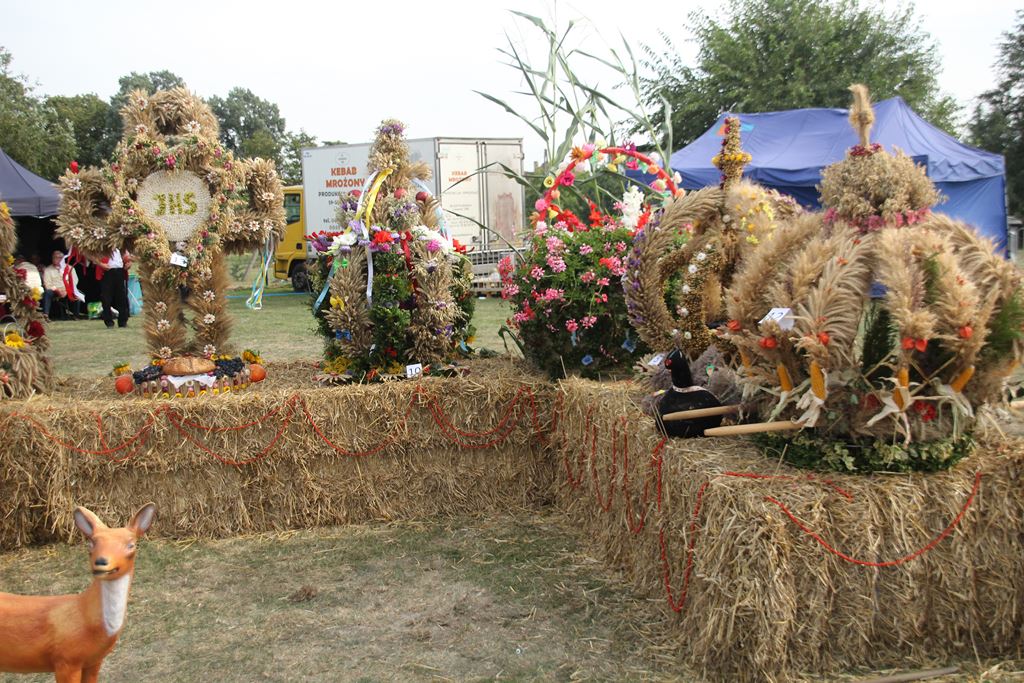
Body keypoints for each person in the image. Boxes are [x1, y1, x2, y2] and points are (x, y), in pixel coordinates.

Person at [99, 248, 130, 328]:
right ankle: (109, 322)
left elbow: (128, 257)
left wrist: (128, 263)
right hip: (107, 271)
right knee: (106, 298)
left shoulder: (121, 246)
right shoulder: (103, 246)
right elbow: (92, 257)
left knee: (122, 298)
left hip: (120, 271)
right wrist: (101, 264)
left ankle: (123, 321)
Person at [41, 250, 68, 319]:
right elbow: (47, 284)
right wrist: (58, 291)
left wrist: (67, 291)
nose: (57, 259)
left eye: (59, 258)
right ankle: (46, 314)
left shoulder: (69, 268)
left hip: (67, 290)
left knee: (78, 294)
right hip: (54, 290)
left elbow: (74, 282)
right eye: (55, 257)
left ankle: (76, 315)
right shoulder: (48, 270)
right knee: (47, 293)